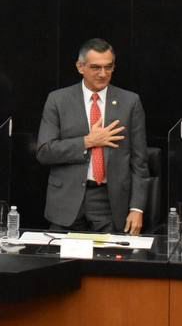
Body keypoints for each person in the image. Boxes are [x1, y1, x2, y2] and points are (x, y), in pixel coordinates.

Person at [37, 38, 149, 235]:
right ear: (80, 67)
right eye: (96, 67)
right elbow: (44, 152)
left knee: (109, 254)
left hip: (110, 201)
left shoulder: (130, 102)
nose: (103, 73)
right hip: (66, 200)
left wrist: (137, 208)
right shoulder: (58, 100)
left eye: (108, 67)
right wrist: (87, 141)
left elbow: (139, 161)